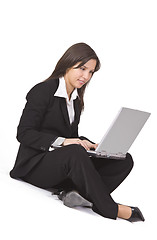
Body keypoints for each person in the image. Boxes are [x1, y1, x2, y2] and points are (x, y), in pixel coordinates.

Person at [10, 42, 145, 222]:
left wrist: (91, 144)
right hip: (34, 167)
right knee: (74, 151)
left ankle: (75, 194)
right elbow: (24, 133)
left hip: (61, 168)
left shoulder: (75, 100)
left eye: (90, 72)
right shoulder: (43, 91)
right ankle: (107, 207)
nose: (86, 76)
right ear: (68, 63)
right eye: (82, 68)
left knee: (123, 159)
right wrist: (64, 141)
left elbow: (71, 136)